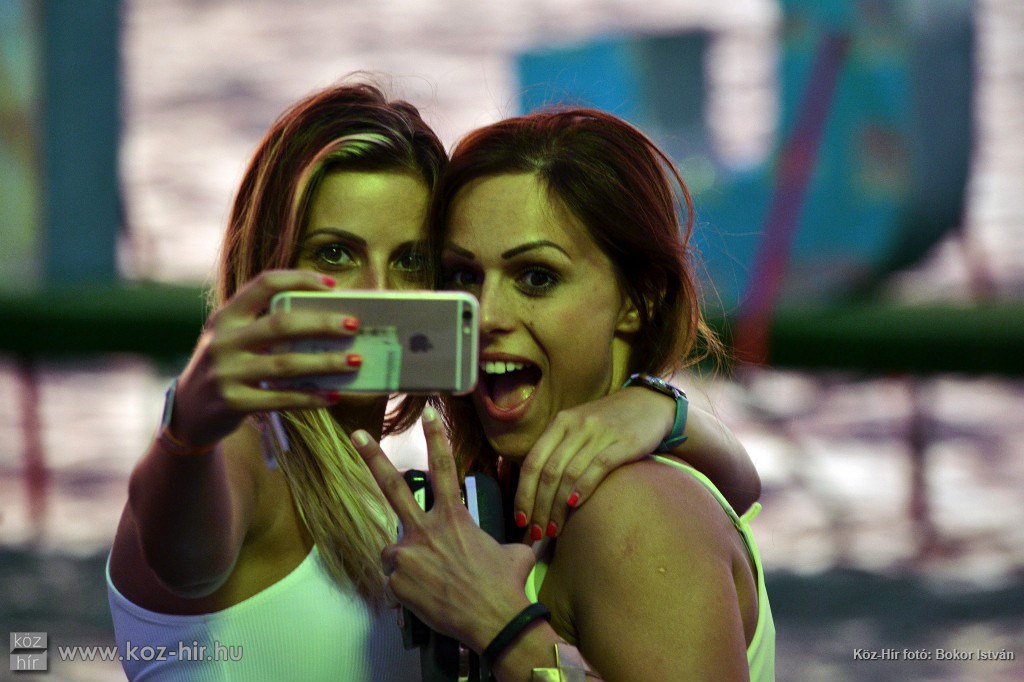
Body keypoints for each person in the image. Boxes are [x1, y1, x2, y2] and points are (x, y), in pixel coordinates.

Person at [107, 82, 760, 681]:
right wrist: (190, 428)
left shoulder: (608, 502)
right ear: (268, 262)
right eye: (335, 254)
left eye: (412, 261)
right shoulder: (245, 449)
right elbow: (182, 554)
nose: (377, 294)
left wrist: (667, 413)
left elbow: (721, 504)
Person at [353, 108, 775, 680]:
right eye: (464, 277)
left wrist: (503, 627)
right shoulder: (557, 495)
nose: (486, 315)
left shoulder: (634, 512)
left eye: (536, 277)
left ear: (639, 300)